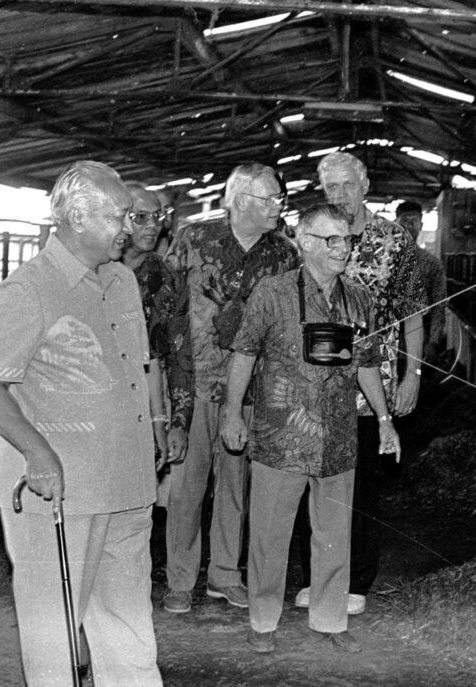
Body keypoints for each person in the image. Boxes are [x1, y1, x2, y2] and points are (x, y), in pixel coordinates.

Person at [0, 160, 163, 686]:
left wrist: (156, 425)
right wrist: (36, 452)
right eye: (120, 216)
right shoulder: (27, 289)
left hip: (127, 482)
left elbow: (136, 368)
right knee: (53, 628)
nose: (129, 227)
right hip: (61, 491)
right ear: (78, 218)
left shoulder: (123, 280)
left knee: (129, 620)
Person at [220, 203, 401, 655]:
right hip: (281, 437)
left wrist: (384, 421)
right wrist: (232, 413)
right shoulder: (273, 292)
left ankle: (330, 619)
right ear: (304, 242)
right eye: (331, 239)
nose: (342, 248)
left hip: (338, 438)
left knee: (335, 535)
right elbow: (244, 353)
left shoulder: (358, 297)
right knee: (269, 535)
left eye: (347, 239)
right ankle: (262, 622)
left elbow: (366, 364)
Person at [162, 163, 300, 614]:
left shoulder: (284, 253)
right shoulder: (193, 239)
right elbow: (168, 308)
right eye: (269, 199)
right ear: (240, 201)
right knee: (187, 486)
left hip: (252, 390)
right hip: (197, 382)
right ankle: (180, 579)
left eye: (279, 199)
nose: (277, 207)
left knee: (235, 485)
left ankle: (224, 574)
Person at [293, 152, 426, 616]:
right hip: (314, 384)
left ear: (365, 185)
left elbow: (413, 311)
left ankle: (356, 578)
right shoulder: (310, 234)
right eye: (331, 187)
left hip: (373, 384)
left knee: (363, 483)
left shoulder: (394, 240)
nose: (340, 195)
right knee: (312, 479)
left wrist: (413, 374)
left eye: (347, 185)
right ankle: (313, 575)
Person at [122, 182, 193, 469]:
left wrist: (178, 423)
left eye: (158, 216)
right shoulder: (94, 272)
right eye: (141, 217)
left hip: (152, 399)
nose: (153, 225)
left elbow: (180, 355)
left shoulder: (169, 279)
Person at [395, 200, 447, 363]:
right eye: (405, 220)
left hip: (418, 338)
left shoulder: (432, 264)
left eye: (414, 221)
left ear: (421, 225)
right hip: (385, 338)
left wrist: (433, 341)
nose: (409, 226)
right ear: (396, 224)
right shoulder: (382, 260)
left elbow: (439, 305)